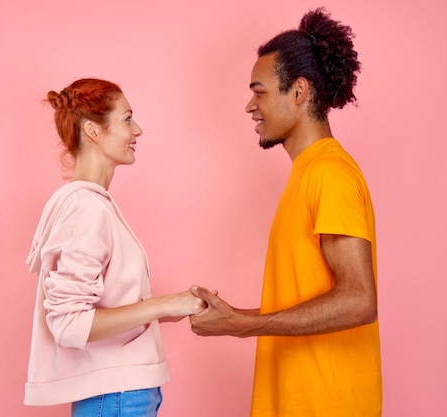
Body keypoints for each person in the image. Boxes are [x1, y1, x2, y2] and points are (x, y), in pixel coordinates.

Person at [189, 8, 382, 417]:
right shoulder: (307, 173)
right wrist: (235, 317)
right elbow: (302, 300)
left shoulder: (330, 173)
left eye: (259, 92)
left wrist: (243, 327)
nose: (249, 106)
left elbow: (359, 300)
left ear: (298, 92)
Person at [24, 78, 206, 417]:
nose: (137, 129)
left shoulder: (95, 206)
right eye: (126, 118)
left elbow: (105, 309)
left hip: (122, 395)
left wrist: (170, 309)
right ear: (94, 131)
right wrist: (162, 303)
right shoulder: (86, 210)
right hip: (117, 397)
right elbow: (70, 324)